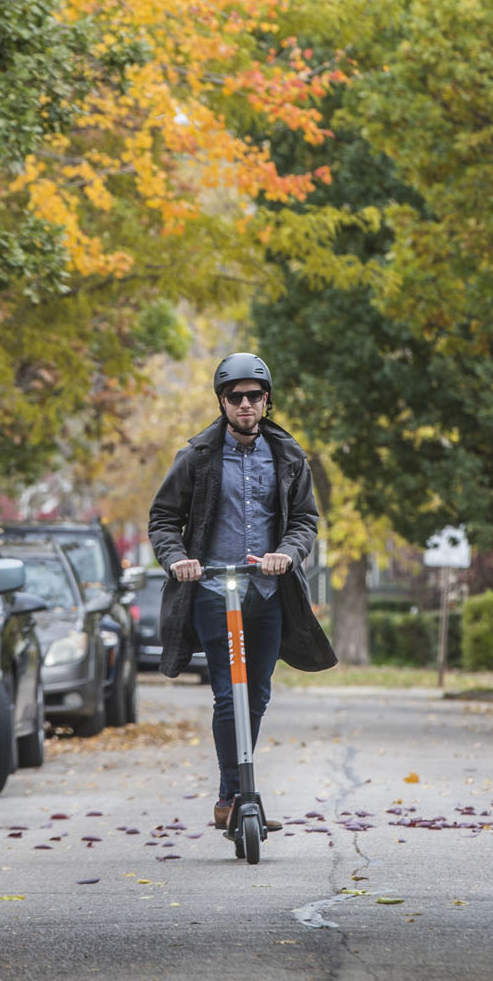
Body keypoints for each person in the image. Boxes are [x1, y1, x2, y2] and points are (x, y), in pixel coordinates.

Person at [149, 352, 336, 830]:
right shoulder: (197, 458)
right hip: (214, 592)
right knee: (228, 697)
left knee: (257, 693)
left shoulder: (289, 457)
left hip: (269, 593)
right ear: (223, 402)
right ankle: (234, 795)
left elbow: (304, 520)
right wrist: (179, 560)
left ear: (267, 400)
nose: (246, 404)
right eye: (236, 397)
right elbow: (164, 519)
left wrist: (288, 553)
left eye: (254, 396)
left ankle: (234, 795)